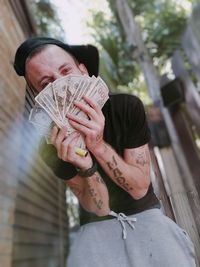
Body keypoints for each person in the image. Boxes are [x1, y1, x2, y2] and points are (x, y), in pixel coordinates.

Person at [14, 37, 196, 267]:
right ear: (41, 98)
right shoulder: (51, 144)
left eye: (66, 70)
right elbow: (98, 208)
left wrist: (98, 145)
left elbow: (139, 189)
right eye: (47, 83)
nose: (62, 86)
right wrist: (86, 165)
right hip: (95, 226)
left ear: (83, 69)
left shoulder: (126, 107)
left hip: (146, 216)